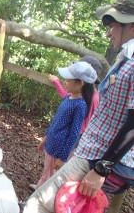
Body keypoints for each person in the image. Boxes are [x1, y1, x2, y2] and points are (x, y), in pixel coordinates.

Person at [23, 0, 134, 212]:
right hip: (93, 152)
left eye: (112, 24)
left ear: (130, 25)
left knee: (38, 204)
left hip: (100, 158)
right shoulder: (125, 58)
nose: (108, 32)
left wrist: (102, 169)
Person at [34, 61, 97, 190]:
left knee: (50, 177)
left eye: (68, 80)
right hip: (51, 144)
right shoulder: (68, 98)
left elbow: (74, 133)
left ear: (80, 83)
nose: (65, 82)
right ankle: (39, 191)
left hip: (58, 149)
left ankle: (37, 199)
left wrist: (63, 157)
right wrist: (45, 139)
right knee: (47, 173)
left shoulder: (80, 105)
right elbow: (56, 121)